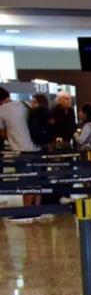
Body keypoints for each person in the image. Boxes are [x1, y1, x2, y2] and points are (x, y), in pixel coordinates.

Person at [0, 88, 42, 222]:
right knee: (37, 180)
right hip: (37, 148)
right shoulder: (25, 104)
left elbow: (1, 132)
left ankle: (27, 211)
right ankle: (38, 208)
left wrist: (12, 138)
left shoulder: (1, 110)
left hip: (21, 151)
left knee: (25, 181)